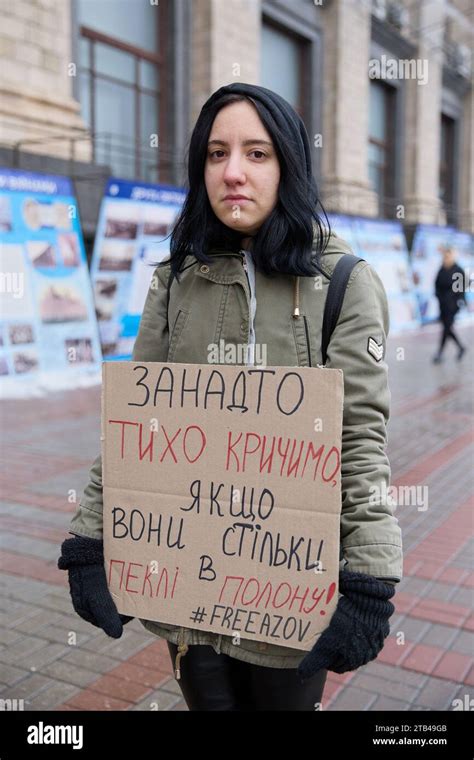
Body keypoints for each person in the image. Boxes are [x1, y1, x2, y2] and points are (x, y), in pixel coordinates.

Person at [58, 82, 403, 711]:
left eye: (257, 153)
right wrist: (91, 538)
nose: (233, 172)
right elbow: (140, 422)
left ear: (289, 166)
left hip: (289, 591)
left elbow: (359, 440)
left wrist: (370, 579)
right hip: (189, 589)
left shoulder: (345, 284)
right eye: (216, 154)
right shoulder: (176, 279)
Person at [433, 245, 467, 364]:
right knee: (447, 328)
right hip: (443, 304)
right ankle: (461, 347)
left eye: (448, 256)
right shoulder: (442, 270)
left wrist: (459, 302)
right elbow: (436, 285)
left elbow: (461, 289)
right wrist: (439, 297)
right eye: (445, 256)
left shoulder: (458, 270)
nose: (446, 258)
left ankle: (440, 353)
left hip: (453, 305)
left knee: (446, 328)